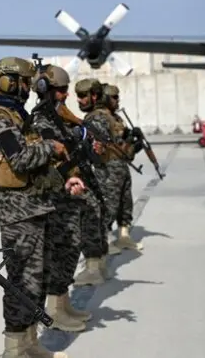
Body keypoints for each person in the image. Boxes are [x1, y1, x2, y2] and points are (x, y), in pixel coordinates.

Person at [0, 56, 85, 358]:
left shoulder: (16, 115)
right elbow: (20, 159)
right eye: (24, 82)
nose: (28, 87)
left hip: (35, 207)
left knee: (37, 280)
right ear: (9, 82)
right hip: (17, 212)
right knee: (21, 281)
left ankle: (29, 342)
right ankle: (14, 348)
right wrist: (51, 147)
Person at [29, 65, 94, 331]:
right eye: (61, 90)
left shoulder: (59, 119)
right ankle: (55, 310)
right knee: (60, 250)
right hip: (53, 197)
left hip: (67, 194)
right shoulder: (41, 121)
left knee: (71, 246)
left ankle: (63, 303)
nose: (66, 95)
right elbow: (50, 159)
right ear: (45, 89)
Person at [74, 78, 122, 279]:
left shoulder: (95, 119)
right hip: (105, 172)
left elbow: (96, 149)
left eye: (83, 96)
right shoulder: (104, 116)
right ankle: (99, 265)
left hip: (100, 173)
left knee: (92, 218)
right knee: (99, 217)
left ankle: (94, 269)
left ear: (94, 96)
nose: (79, 100)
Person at [102, 84, 143, 251]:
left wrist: (133, 143)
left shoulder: (117, 119)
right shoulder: (102, 119)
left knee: (125, 203)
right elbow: (114, 145)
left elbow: (124, 148)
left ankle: (124, 237)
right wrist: (128, 142)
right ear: (105, 98)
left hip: (121, 166)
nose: (117, 100)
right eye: (114, 97)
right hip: (109, 168)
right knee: (110, 205)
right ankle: (104, 241)